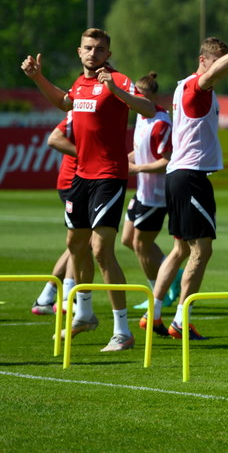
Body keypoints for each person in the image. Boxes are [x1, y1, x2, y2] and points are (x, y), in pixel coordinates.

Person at [21, 28, 156, 352]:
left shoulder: (117, 79)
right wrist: (38, 78)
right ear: (79, 51)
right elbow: (64, 102)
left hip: (109, 176)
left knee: (101, 249)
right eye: (88, 48)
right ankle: (83, 313)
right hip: (80, 176)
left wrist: (118, 91)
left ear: (108, 54)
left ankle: (122, 332)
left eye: (100, 49)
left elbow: (148, 109)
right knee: (75, 245)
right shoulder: (80, 84)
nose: (93, 53)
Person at [140, 27, 228, 340]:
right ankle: (179, 319)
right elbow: (213, 73)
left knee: (179, 251)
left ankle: (154, 313)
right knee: (201, 252)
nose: (225, 67)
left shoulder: (194, 87)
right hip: (190, 177)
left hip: (181, 175)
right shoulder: (197, 87)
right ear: (203, 61)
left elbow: (217, 71)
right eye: (218, 61)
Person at [121, 72, 182, 314]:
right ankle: (172, 271)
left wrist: (137, 168)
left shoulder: (161, 123)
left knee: (140, 244)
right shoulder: (141, 118)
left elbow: (167, 160)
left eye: (141, 97)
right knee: (128, 240)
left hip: (156, 195)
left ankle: (158, 293)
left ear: (152, 98)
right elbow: (142, 150)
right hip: (142, 192)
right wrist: (124, 160)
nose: (136, 101)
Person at [31, 115, 78, 316]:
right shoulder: (79, 111)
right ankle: (65, 298)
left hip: (78, 182)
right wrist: (87, 155)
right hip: (74, 182)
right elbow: (54, 139)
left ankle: (46, 297)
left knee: (80, 242)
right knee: (82, 242)